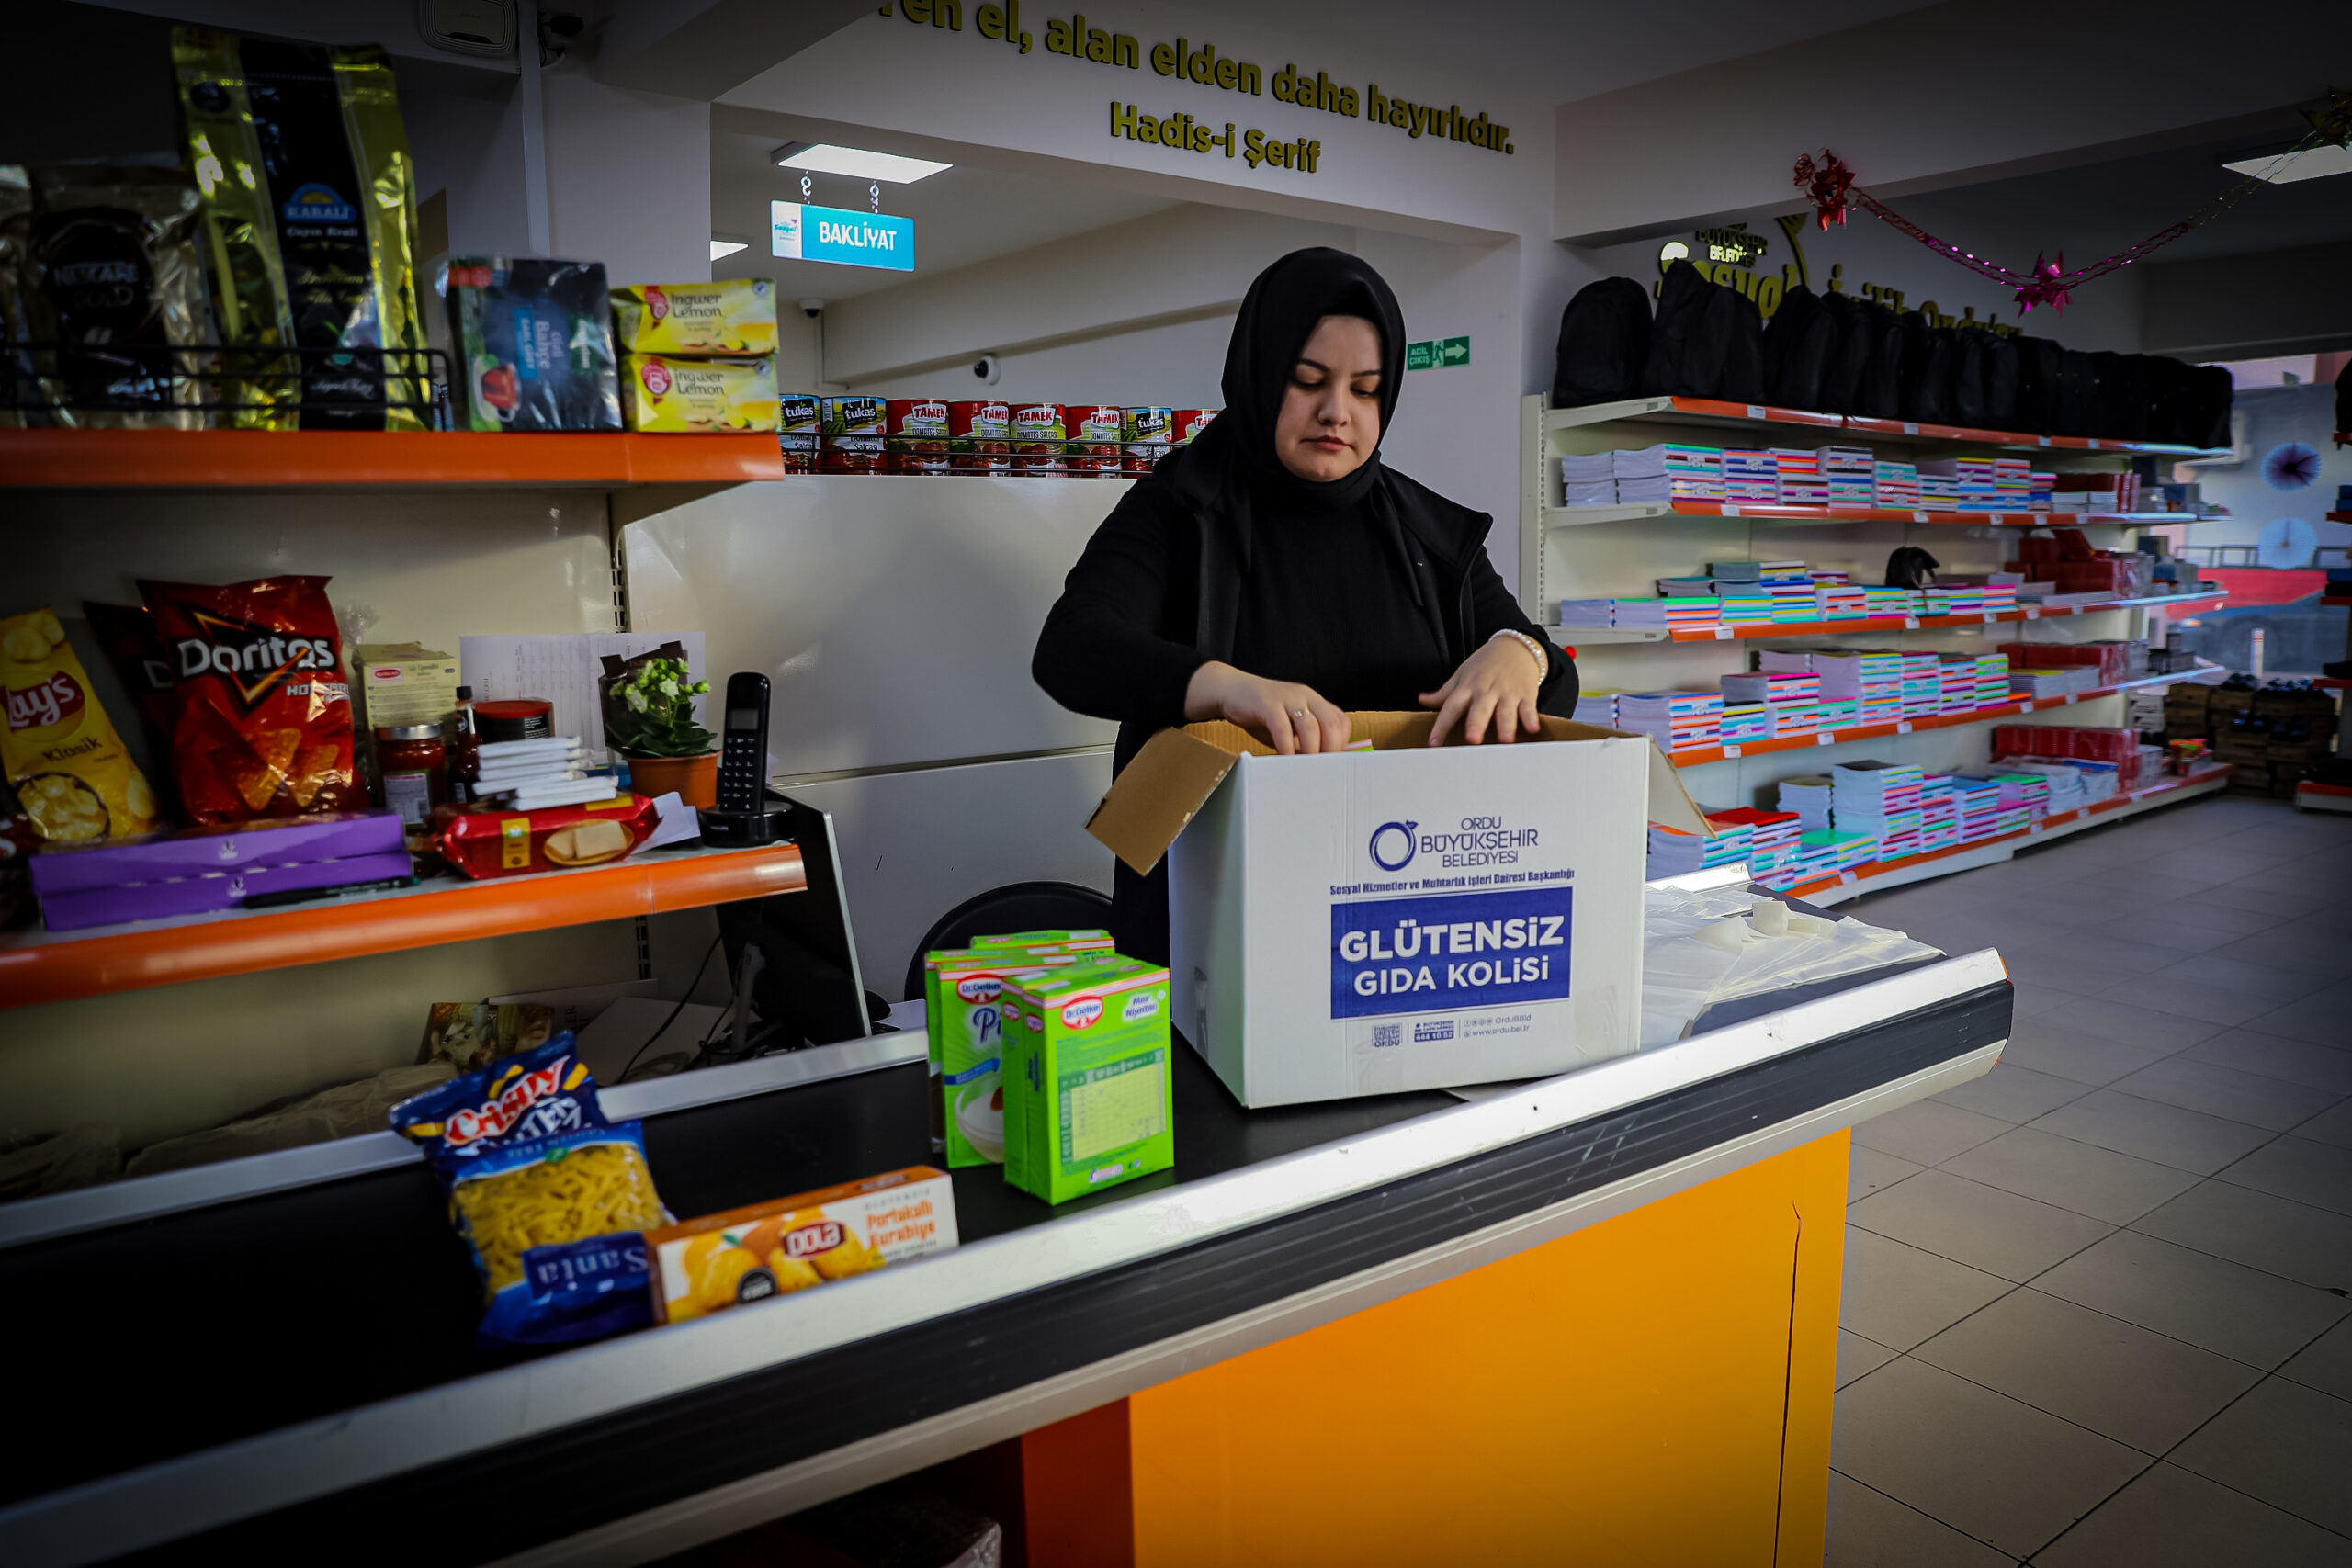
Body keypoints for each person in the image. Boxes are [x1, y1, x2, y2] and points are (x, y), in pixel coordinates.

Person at [1032, 246, 1577, 963]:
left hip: (1393, 929)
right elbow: (1071, 647)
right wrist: (1222, 686)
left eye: (1366, 389)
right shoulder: (1181, 507)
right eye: (1308, 380)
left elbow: (1551, 684)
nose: (1336, 412)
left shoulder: (1425, 533)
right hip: (1211, 925)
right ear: (1261, 374)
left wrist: (1522, 652)